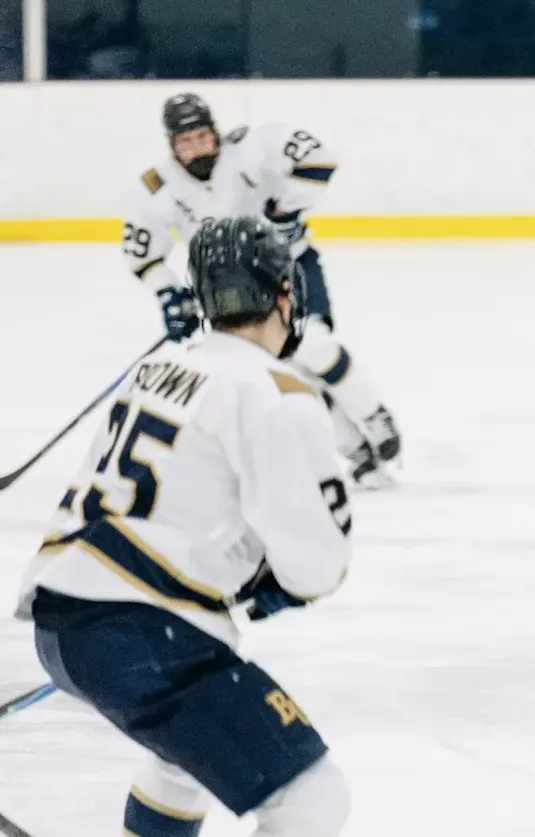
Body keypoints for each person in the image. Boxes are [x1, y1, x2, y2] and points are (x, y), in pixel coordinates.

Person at [15, 217, 354, 836]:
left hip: (63, 623)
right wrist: (278, 580)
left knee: (184, 765)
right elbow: (315, 566)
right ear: (284, 294)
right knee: (312, 799)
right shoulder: (277, 394)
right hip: (141, 636)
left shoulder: (163, 367)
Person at [122, 92, 401, 485]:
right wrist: (170, 295)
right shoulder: (155, 188)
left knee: (314, 345)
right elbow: (142, 252)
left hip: (287, 267)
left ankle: (374, 416)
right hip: (223, 291)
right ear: (171, 145)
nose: (197, 147)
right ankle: (354, 448)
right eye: (185, 141)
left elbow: (320, 159)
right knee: (281, 373)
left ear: (216, 133)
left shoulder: (252, 150)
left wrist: (286, 210)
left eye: (202, 136)